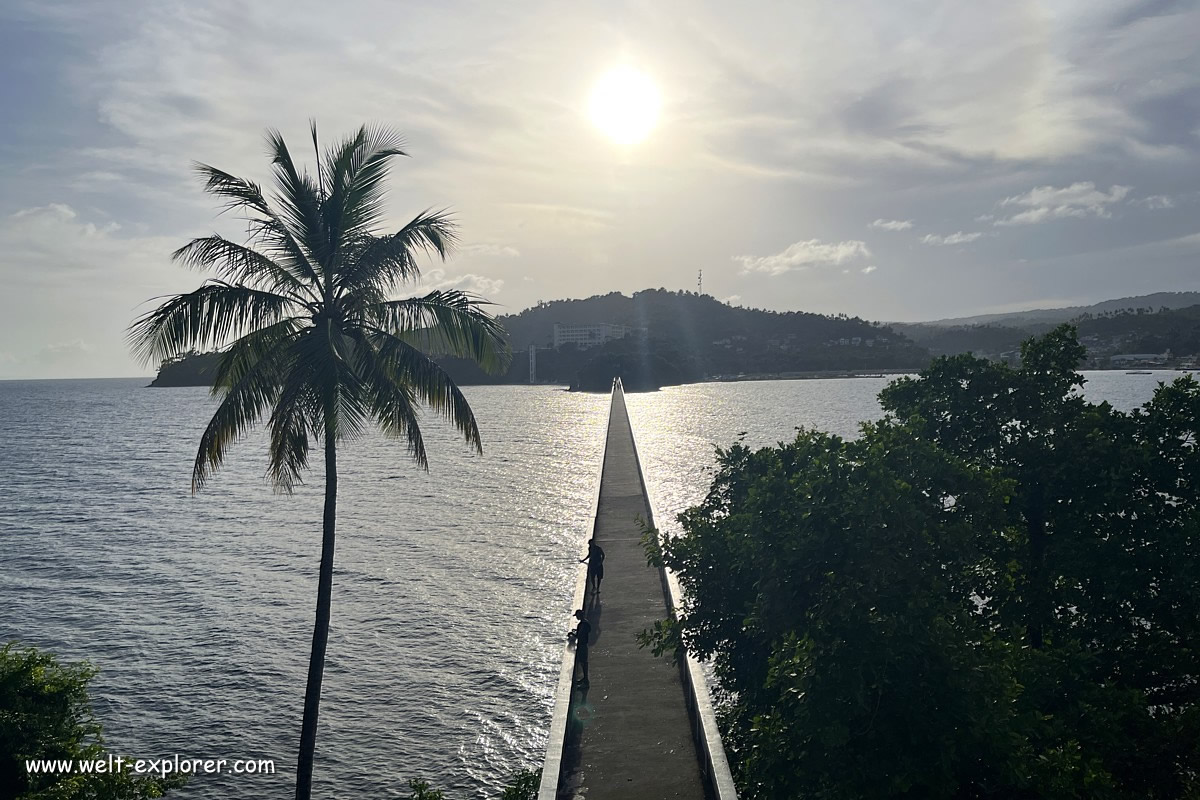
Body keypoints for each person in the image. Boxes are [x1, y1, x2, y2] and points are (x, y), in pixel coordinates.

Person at [571, 609, 591, 683]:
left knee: (583, 661)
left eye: (577, 616)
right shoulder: (586, 623)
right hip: (584, 644)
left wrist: (573, 634)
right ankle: (585, 678)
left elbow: (579, 635)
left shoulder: (582, 624)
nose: (576, 617)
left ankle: (585, 678)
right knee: (583, 661)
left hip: (582, 644)